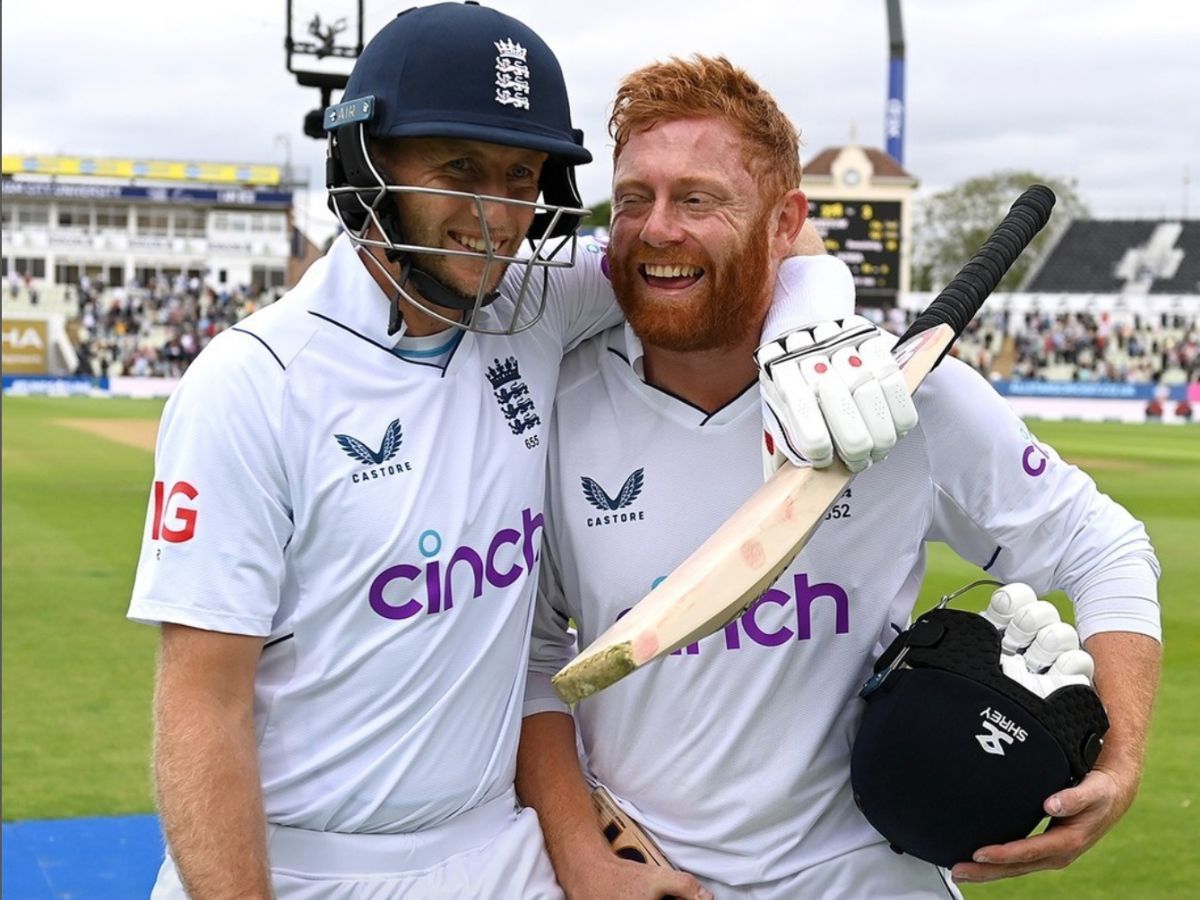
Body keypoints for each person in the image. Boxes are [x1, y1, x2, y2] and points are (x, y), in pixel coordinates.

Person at [126, 6, 846, 898]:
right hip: (310, 865)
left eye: (519, 175)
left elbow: (746, 227)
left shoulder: (531, 307)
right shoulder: (254, 383)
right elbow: (204, 706)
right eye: (459, 169)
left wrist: (818, 301)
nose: (494, 215)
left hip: (501, 857)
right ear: (367, 165)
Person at [517, 55, 1162, 898]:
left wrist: (1119, 762)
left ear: (787, 223)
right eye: (635, 197)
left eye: (699, 198)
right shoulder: (553, 408)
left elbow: (1101, 544)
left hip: (867, 878)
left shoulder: (901, 397)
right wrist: (581, 854)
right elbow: (532, 657)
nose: (657, 228)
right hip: (653, 876)